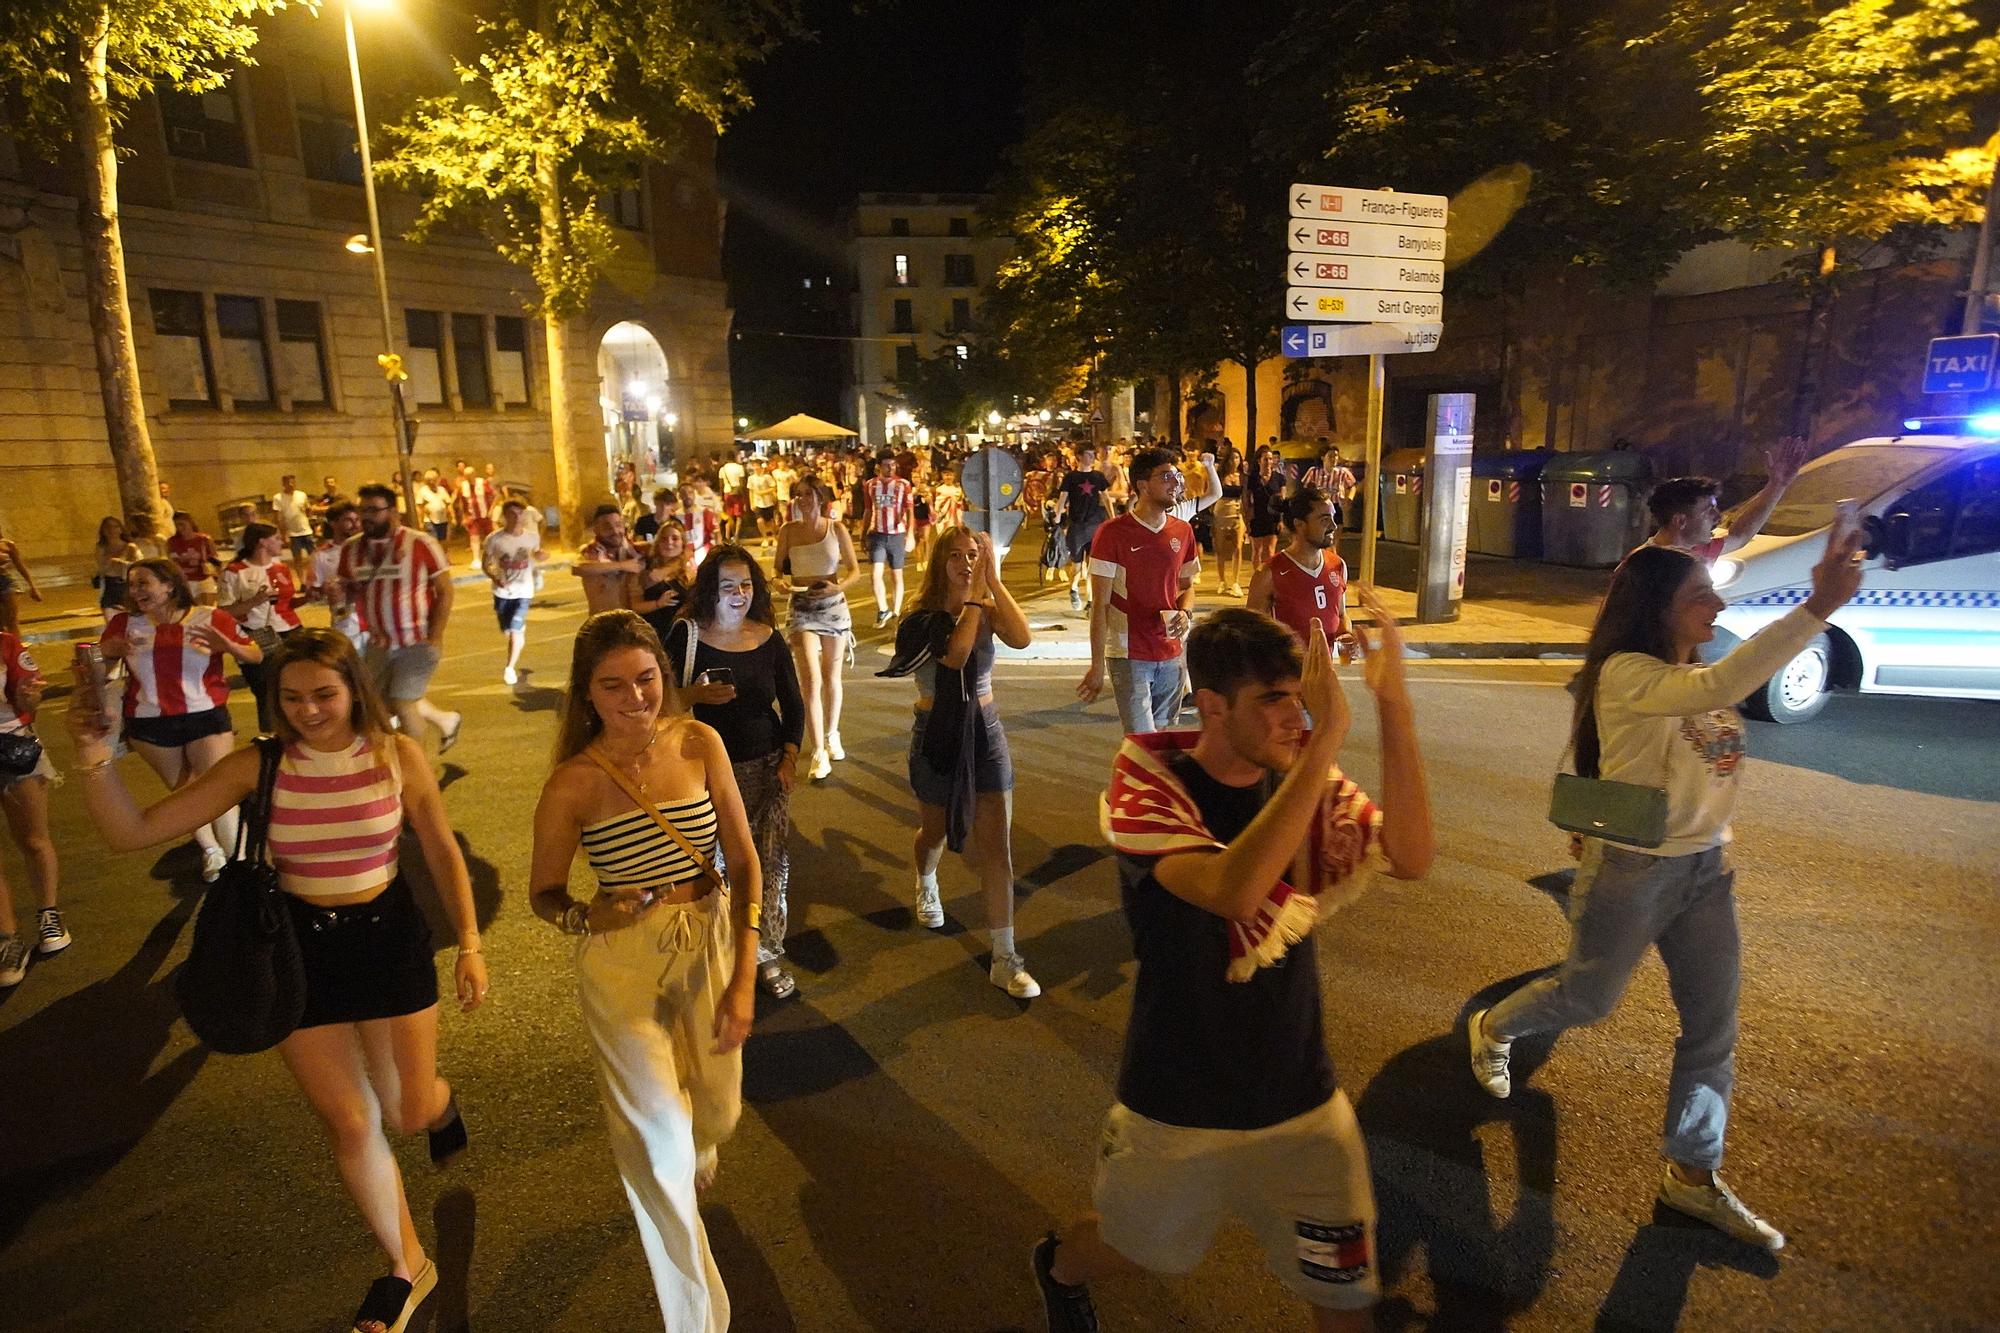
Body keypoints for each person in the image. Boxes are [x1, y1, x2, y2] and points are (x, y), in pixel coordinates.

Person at [70, 628, 485, 1333]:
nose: (309, 710)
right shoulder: (254, 765)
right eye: (290, 697)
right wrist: (91, 756)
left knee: (407, 1110)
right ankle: (407, 1263)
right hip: (299, 951)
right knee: (350, 1120)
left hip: (388, 945)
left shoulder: (397, 754)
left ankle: (439, 1105)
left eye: (324, 693)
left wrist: (471, 941)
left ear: (355, 687)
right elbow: (131, 833)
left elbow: (442, 850)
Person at [1034, 600, 1433, 1332]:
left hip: (1304, 1101)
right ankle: (1060, 1262)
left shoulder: (1297, 777)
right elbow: (1231, 890)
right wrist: (1328, 739)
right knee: (1130, 1248)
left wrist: (1393, 702)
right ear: (1212, 705)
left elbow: (1410, 854)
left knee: (1346, 1299)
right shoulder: (1150, 780)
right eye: (1274, 699)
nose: (1298, 715)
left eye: (1300, 695)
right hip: (1176, 1104)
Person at [1466, 528, 1867, 1253]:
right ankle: (1494, 1027)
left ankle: (1692, 1173)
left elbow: (1712, 708)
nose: (1716, 603)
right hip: (1635, 869)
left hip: (1706, 872)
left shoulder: (1689, 669)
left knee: (1713, 1029)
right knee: (1588, 999)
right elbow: (1717, 688)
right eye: (1699, 594)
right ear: (1658, 607)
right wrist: (1818, 606)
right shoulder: (1627, 672)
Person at [528, 611, 759, 1332]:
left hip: (711, 941)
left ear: (665, 673)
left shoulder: (699, 742)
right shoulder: (572, 783)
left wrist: (746, 974)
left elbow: (745, 860)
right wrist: (585, 916)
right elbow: (545, 892)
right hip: (623, 966)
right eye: (613, 685)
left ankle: (703, 1137)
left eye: (647, 678)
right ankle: (697, 1319)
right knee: (659, 1150)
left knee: (717, 1109)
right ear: (586, 694)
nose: (635, 697)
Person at [886, 527, 1040, 997]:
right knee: (936, 830)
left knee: (998, 847)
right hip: (936, 734)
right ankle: (926, 877)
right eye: (955, 555)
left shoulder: (985, 607)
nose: (965, 562)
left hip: (985, 732)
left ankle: (1004, 956)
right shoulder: (921, 617)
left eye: (973, 555)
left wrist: (993, 581)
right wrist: (975, 600)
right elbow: (954, 655)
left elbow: (1022, 637)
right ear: (939, 563)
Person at [662, 546, 805, 999]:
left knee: (769, 866)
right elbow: (659, 701)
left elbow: (794, 704)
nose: (739, 595)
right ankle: (720, 950)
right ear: (710, 591)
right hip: (703, 774)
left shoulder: (767, 636)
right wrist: (694, 698)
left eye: (746, 585)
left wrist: (788, 758)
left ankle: (766, 953)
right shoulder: (686, 636)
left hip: (765, 769)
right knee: (713, 866)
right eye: (728, 587)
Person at [1077, 448, 1199, 735]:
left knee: (1162, 745)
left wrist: (1185, 611)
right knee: (1142, 742)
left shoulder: (1182, 531)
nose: (1176, 483)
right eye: (1166, 476)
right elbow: (1100, 605)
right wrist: (1096, 666)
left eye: (1177, 476)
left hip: (1171, 653)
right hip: (1129, 654)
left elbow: (1188, 587)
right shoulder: (1112, 533)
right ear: (1142, 485)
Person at [338, 485, 463, 762]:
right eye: (363, 510)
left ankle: (418, 775)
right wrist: (336, 593)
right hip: (378, 643)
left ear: (392, 512)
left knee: (404, 703)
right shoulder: (352, 550)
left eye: (373, 510)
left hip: (416, 641)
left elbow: (445, 589)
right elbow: (348, 590)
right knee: (374, 709)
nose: (366, 517)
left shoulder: (420, 543)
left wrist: (436, 635)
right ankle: (394, 759)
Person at [775, 479, 858, 781]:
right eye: (798, 495)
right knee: (809, 680)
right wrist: (778, 582)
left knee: (830, 676)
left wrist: (838, 587)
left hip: (832, 604)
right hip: (800, 605)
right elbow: (776, 569)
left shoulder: (836, 529)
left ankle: (832, 734)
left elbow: (854, 569)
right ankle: (818, 752)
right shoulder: (788, 531)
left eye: (808, 494)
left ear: (820, 497)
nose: (802, 500)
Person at [0, 632, 65, 988]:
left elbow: (31, 697)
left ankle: (49, 915)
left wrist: (30, 695)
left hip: (12, 748)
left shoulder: (8, 645)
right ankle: (7, 939)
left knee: (34, 840)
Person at [1645, 436, 1810, 561]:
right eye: (1708, 511)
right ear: (1680, 521)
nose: (1719, 517)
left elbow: (1740, 535)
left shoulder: (1697, 550)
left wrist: (1777, 485)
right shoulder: (1642, 567)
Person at [219, 522, 304, 732]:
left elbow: (286, 603)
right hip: (256, 633)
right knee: (265, 689)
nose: (281, 541)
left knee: (296, 682)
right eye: (275, 538)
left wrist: (308, 598)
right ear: (261, 542)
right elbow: (223, 612)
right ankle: (271, 737)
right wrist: (255, 601)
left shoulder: (281, 568)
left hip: (290, 630)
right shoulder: (235, 572)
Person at [1247, 486, 1353, 652]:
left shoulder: (1338, 565)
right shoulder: (1269, 573)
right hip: (1286, 674)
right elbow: (1251, 633)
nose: (1333, 525)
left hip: (1324, 673)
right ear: (1299, 524)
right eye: (1324, 519)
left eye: (1333, 517)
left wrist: (1346, 634)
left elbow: (1341, 614)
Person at [482, 499, 542, 685]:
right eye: (512, 514)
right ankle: (516, 632)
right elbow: (486, 563)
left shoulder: (532, 537)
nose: (517, 518)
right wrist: (495, 577)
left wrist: (538, 570)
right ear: (504, 517)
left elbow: (536, 557)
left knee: (515, 630)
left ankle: (509, 667)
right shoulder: (494, 539)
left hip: (524, 591)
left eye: (520, 514)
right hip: (502, 593)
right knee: (507, 629)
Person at [1051, 443, 1111, 612]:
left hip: (1095, 526)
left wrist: (1112, 518)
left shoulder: (1098, 477)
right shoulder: (1070, 478)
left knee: (1093, 566)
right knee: (1076, 566)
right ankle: (1074, 588)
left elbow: (1106, 498)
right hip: (1077, 526)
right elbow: (1063, 499)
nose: (1092, 457)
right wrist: (1057, 518)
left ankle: (1091, 602)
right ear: (1079, 457)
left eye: (1093, 454)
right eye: (1088, 454)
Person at [861, 452, 915, 628]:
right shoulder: (870, 485)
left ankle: (897, 611)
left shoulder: (903, 485)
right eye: (886, 465)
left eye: (893, 465)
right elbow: (868, 510)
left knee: (896, 574)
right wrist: (863, 534)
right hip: (876, 533)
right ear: (878, 467)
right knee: (875, 574)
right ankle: (883, 609)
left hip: (896, 534)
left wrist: (910, 533)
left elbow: (909, 510)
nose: (890, 468)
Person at [309, 501, 365, 650]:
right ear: (333, 523)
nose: (355, 524)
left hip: (374, 619)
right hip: (345, 622)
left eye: (357, 519)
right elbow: (314, 592)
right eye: (348, 520)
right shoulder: (321, 554)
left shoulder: (369, 548)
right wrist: (324, 589)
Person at [575, 504, 643, 614]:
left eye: (618, 525)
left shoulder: (633, 551)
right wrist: (623, 565)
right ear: (596, 530)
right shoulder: (590, 553)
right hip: (603, 624)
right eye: (607, 527)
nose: (615, 531)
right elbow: (578, 568)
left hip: (632, 623)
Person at [634, 521, 693, 645]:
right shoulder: (645, 569)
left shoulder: (689, 569)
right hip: (654, 634)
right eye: (664, 539)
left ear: (682, 544)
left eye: (675, 538)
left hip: (683, 635)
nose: (669, 543)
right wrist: (658, 603)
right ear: (657, 543)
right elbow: (635, 605)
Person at [166, 511, 223, 607]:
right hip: (186, 580)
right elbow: (172, 562)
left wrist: (218, 575)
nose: (179, 528)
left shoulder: (204, 540)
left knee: (208, 609)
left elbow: (216, 560)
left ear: (190, 522)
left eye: (182, 524)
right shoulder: (172, 542)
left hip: (203, 577)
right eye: (176, 525)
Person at [1210, 453, 1248, 597]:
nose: (1235, 461)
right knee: (1220, 548)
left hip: (1237, 511)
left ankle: (1235, 582)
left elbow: (1245, 496)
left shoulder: (1242, 476)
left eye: (1237, 458)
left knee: (1238, 546)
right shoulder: (1220, 475)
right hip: (1221, 511)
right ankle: (1222, 581)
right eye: (1232, 458)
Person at [1244, 446, 1287, 571]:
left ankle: (1269, 576)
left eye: (1270, 459)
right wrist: (1247, 517)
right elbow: (1246, 499)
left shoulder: (1279, 478)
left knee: (1270, 550)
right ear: (1259, 461)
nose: (1268, 462)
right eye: (1265, 459)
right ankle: (1256, 575)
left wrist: (1280, 519)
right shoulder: (1252, 479)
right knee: (1257, 549)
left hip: (1272, 517)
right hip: (1257, 515)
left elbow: (1281, 501)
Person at [273, 473, 317, 577]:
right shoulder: (278, 498)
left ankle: (314, 578)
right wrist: (284, 534)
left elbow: (308, 511)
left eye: (292, 482)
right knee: (297, 559)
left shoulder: (302, 495)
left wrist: (309, 511)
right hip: (292, 533)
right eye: (288, 482)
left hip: (306, 530)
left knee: (314, 556)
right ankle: (302, 582)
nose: (291, 484)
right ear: (283, 484)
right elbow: (278, 518)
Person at [456, 463, 497, 567]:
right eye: (466, 476)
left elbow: (496, 495)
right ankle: (476, 559)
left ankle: (493, 558)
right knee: (474, 537)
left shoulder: (483, 483)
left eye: (469, 475)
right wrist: (464, 516)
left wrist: (491, 510)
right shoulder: (463, 486)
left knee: (490, 537)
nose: (468, 478)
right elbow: (462, 502)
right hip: (472, 517)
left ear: (474, 474)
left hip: (485, 515)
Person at [94, 516, 131, 624]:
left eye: (115, 527)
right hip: (109, 585)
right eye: (108, 528)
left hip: (125, 584)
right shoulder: (101, 547)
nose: (112, 530)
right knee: (110, 621)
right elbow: (102, 566)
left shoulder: (130, 547)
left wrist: (122, 563)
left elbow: (137, 565)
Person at [415, 470, 454, 546]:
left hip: (443, 519)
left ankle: (443, 555)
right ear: (426, 481)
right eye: (429, 480)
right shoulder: (422, 491)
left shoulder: (442, 490)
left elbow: (448, 503)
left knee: (443, 540)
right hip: (429, 520)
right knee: (433, 541)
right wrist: (420, 522)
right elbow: (419, 507)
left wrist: (452, 516)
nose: (432, 482)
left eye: (434, 480)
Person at [746, 460, 779, 541]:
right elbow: (751, 491)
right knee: (759, 521)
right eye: (754, 466)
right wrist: (751, 503)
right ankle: (765, 538)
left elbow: (773, 487)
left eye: (757, 466)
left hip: (768, 502)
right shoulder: (751, 478)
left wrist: (763, 492)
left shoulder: (767, 477)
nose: (756, 468)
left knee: (771, 522)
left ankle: (774, 537)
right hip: (758, 502)